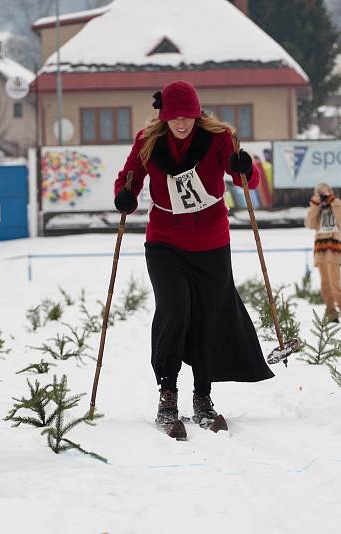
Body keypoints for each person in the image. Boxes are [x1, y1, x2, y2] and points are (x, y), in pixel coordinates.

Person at [113, 80, 274, 430]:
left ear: (197, 114)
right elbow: (130, 177)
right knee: (175, 311)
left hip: (211, 244)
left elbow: (250, 181)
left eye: (188, 116)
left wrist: (244, 166)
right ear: (164, 116)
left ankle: (203, 395)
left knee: (207, 317)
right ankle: (167, 394)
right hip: (165, 241)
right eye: (175, 117)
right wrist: (125, 195)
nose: (182, 124)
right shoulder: (148, 140)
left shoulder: (218, 139)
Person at [304, 183, 341, 322]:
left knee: (335, 282)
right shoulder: (317, 208)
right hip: (320, 250)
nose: (323, 196)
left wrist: (333, 202)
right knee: (325, 283)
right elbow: (309, 224)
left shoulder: (338, 204)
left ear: (331, 192)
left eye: (325, 193)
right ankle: (331, 311)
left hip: (334, 248)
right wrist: (315, 206)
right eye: (320, 193)